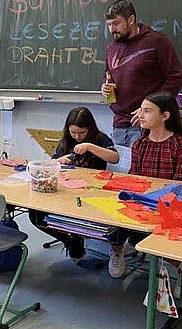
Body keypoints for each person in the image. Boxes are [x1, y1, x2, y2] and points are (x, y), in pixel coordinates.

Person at [103, 92, 182, 279]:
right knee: (113, 216)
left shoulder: (181, 145)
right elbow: (135, 180)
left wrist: (151, 203)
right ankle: (117, 251)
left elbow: (180, 189)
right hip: (143, 202)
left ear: (165, 116)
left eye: (147, 111)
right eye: (141, 111)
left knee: (153, 233)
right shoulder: (140, 144)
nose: (140, 116)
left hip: (169, 207)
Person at [29, 107, 119, 265]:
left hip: (92, 193)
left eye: (82, 132)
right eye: (73, 132)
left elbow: (114, 158)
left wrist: (90, 146)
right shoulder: (65, 140)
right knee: (36, 215)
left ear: (89, 129)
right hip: (66, 191)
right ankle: (71, 241)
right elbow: (51, 165)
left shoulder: (100, 139)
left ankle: (92, 241)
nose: (77, 136)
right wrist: (60, 161)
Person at [101, 0, 182, 147]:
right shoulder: (112, 47)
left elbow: (175, 78)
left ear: (131, 19)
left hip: (147, 124)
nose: (112, 29)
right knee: (118, 169)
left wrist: (148, 108)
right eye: (109, 24)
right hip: (119, 123)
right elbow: (108, 74)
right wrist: (105, 87)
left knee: (140, 170)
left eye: (116, 23)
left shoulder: (157, 42)